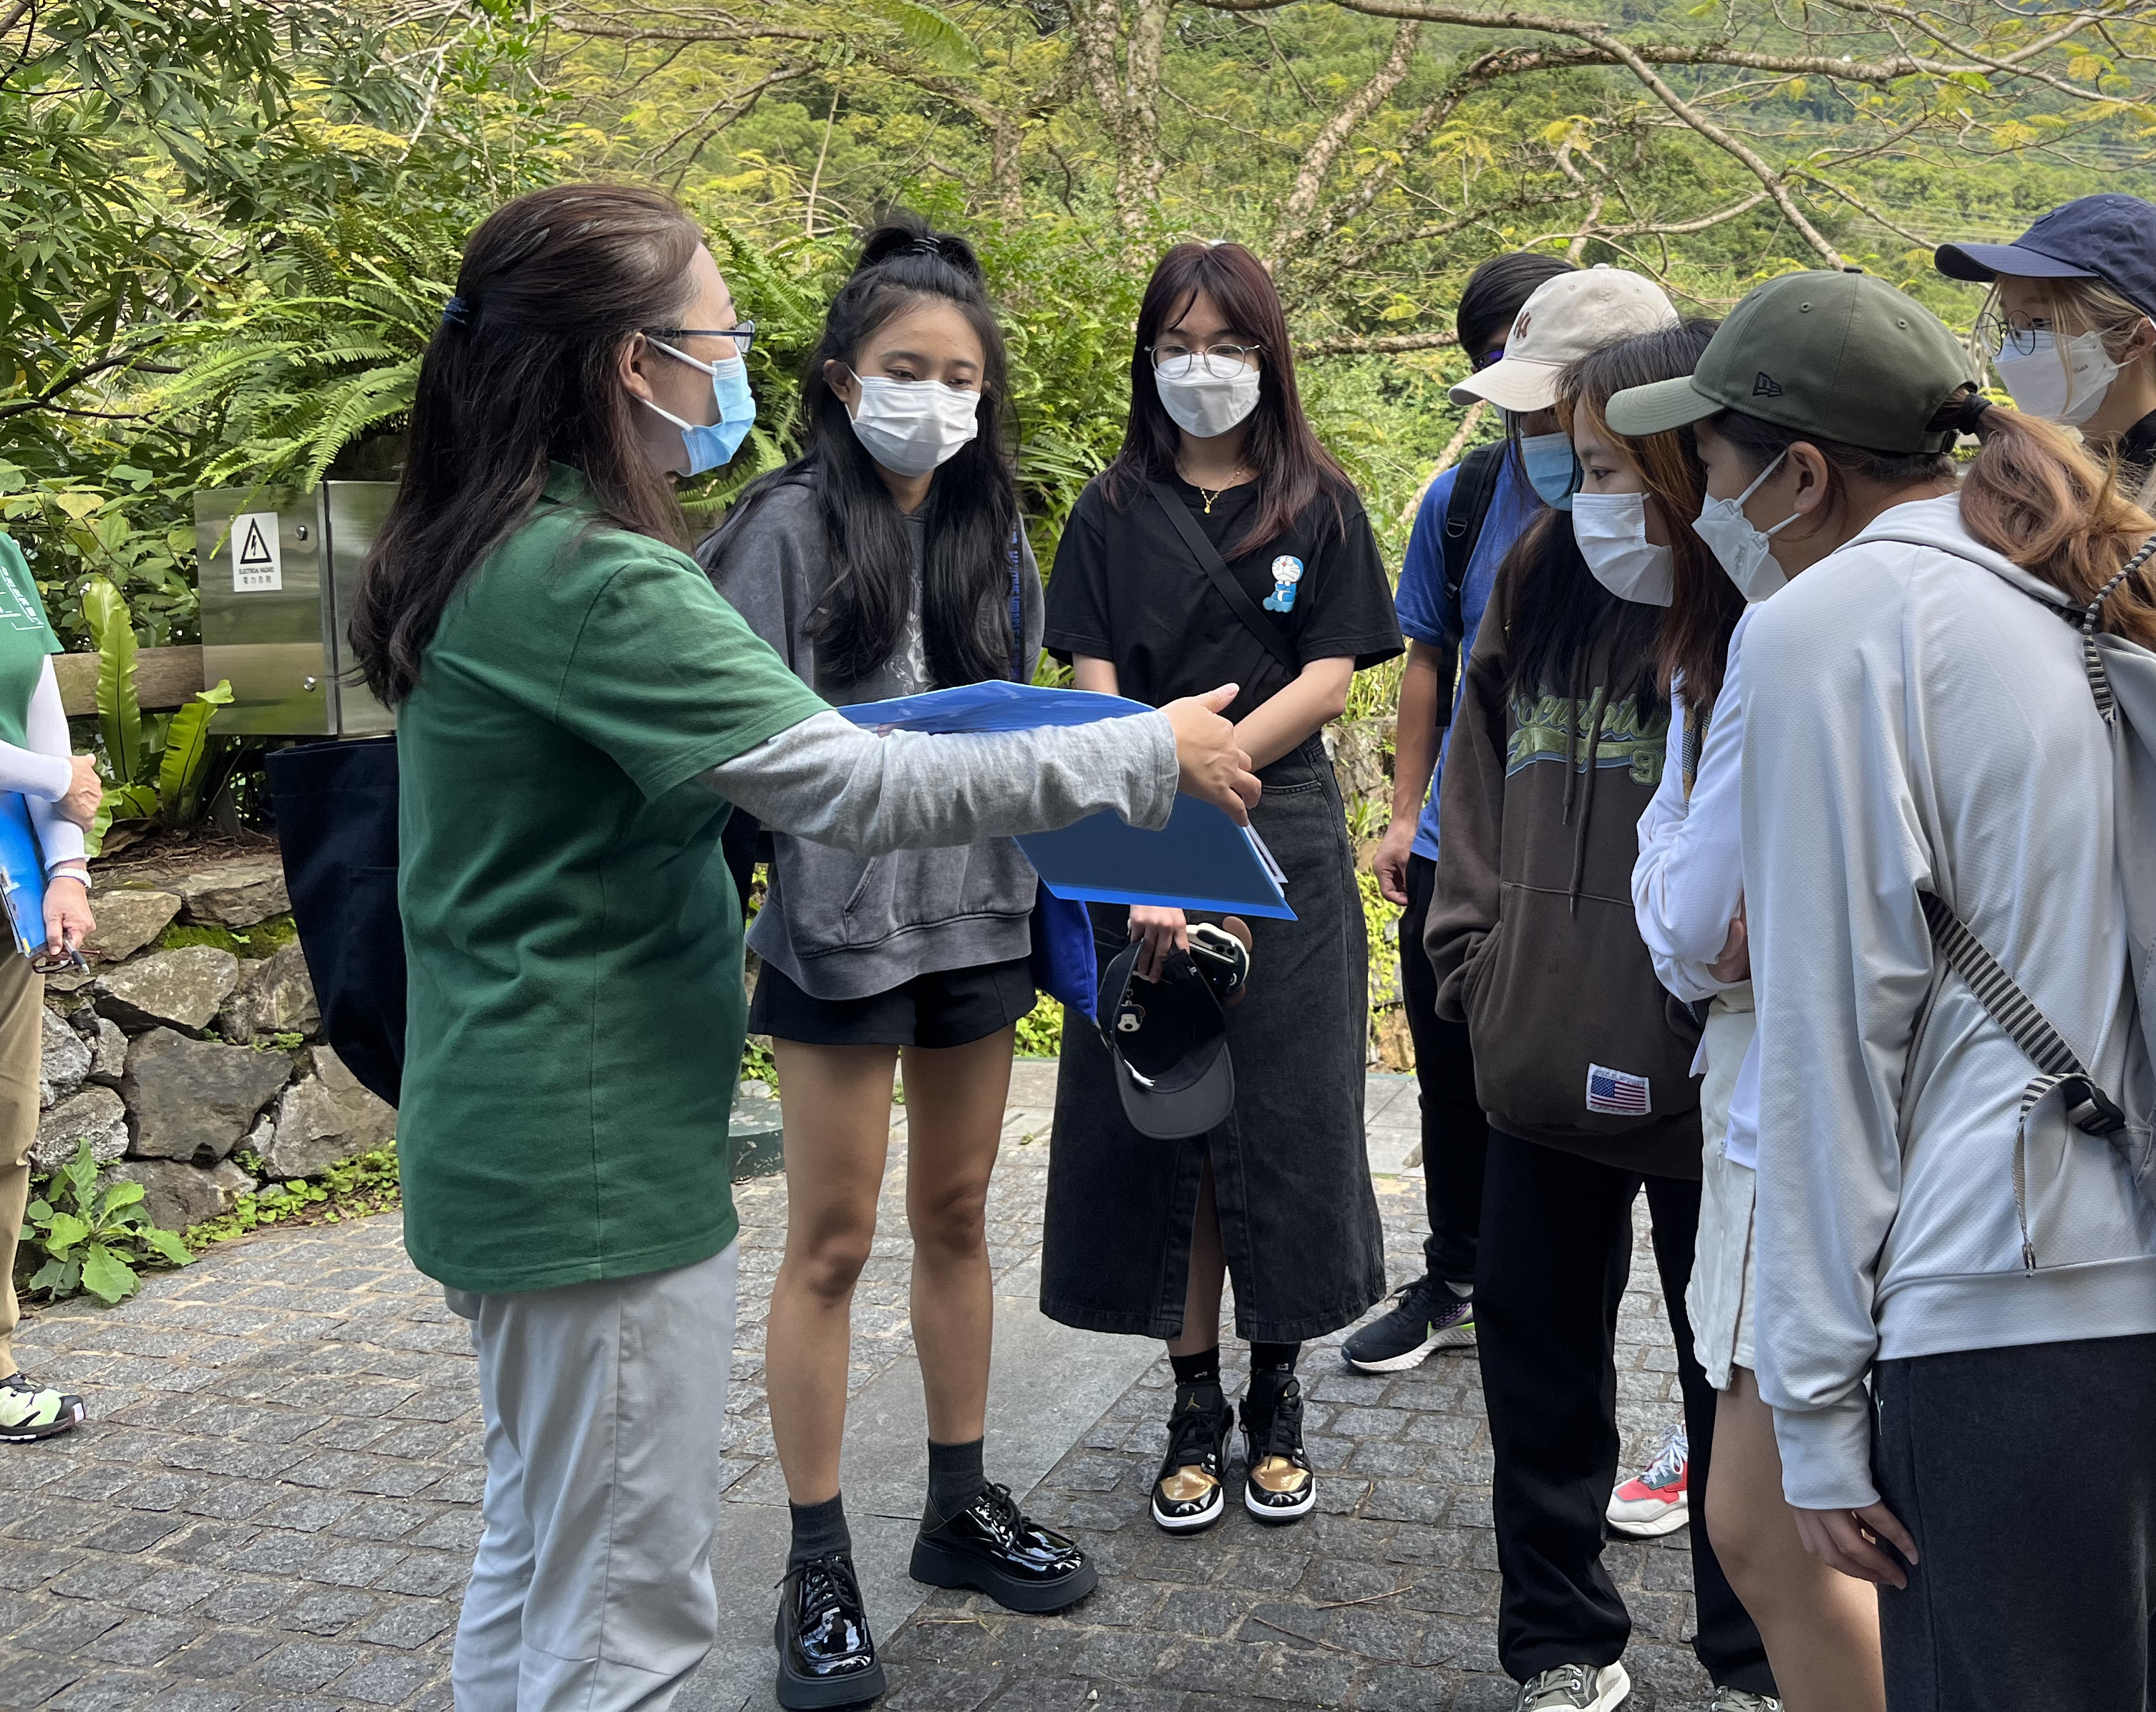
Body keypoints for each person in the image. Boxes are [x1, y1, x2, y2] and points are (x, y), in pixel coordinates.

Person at [347, 183, 1258, 1712]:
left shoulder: (493, 545)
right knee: (623, 1616)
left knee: (541, 1560)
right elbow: (839, 779)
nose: (736, 365)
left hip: (520, 1129)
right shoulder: (596, 575)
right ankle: (819, 1559)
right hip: (591, 1156)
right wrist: (1136, 752)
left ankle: (952, 1504)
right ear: (635, 365)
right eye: (723, 335)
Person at [1610, 273, 2156, 1711]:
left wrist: (1818, 1415)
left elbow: (1833, 1035)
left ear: (1800, 473)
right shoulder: (2071, 576)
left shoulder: (1828, 625)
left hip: (2042, 1321)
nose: (1696, 498)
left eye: (1705, 463)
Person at [699, 215, 1094, 1706]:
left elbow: (1024, 731)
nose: (932, 395)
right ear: (840, 376)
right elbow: (739, 756)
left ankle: (956, 1505)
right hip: (837, 936)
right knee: (831, 1241)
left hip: (979, 926)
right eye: (902, 368)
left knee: (956, 1217)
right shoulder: (782, 530)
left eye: (959, 374)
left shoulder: (996, 532)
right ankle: (817, 1558)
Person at [1429, 314, 1783, 1712]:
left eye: (1609, 468)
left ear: (1682, 461)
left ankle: (1753, 1655)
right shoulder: (1539, 570)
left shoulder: (1753, 606)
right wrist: (1475, 959)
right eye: (1571, 465)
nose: (1586, 499)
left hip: (1709, 1077)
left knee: (1728, 1379)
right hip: (1533, 1059)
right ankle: (1562, 1643)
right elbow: (1471, 768)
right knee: (1538, 1369)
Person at [1039, 238, 1402, 1535]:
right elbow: (1085, 665)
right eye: (1180, 342)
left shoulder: (1321, 502)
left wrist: (1212, 765)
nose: (1204, 367)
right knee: (1169, 1124)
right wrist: (1153, 802)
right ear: (1151, 355)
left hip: (1281, 824)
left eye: (1228, 343)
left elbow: (1334, 668)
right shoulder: (1107, 506)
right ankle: (1191, 1408)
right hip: (1134, 819)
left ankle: (1278, 1397)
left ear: (1268, 354)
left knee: (1287, 1124)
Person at [1347, 253, 1671, 1376]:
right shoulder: (1474, 497)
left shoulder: (1692, 534)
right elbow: (1435, 664)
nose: (1538, 433)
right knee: (1459, 1092)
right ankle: (1457, 1275)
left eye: (1555, 406)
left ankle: (1687, 1395)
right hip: (1467, 852)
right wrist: (1404, 817)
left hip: (1622, 887)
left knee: (1628, 1149)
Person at [1612, 385, 1884, 1712]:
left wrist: (1659, 852)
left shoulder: (1775, 640)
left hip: (1790, 1097)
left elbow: (1694, 930)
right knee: (1776, 1519)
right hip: (1804, 1091)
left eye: (1656, 467)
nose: (1601, 499)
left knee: (1770, 1523)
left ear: (1800, 476)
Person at [1936, 193, 2156, 661]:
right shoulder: (2064, 473)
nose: (2018, 348)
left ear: (2135, 340)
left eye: (2039, 323)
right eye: (2012, 326)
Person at [0, 527, 97, 1444]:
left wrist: (70, 867)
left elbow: (39, 708)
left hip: (11, 903)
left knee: (5, 1133)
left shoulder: (4, 555)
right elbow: (52, 764)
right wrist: (57, 778)